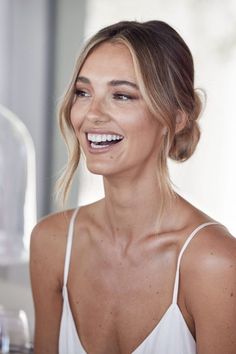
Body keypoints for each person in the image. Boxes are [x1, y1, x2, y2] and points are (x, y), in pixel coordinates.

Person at [30, 20, 236, 354]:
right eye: (83, 93)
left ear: (176, 116)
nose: (92, 114)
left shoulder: (216, 263)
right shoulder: (51, 243)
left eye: (122, 96)